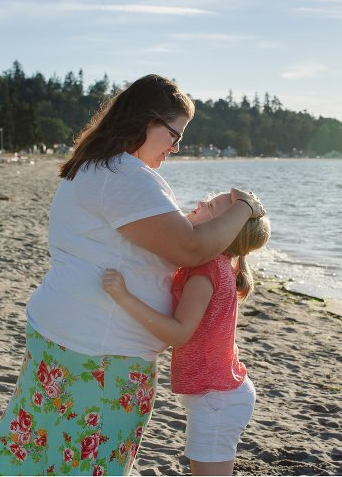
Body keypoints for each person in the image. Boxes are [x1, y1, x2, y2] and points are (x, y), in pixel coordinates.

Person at [0, 74, 265, 476]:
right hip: (95, 352)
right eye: (174, 134)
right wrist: (245, 208)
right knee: (83, 459)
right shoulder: (120, 176)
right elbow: (191, 247)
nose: (176, 147)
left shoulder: (106, 169)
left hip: (81, 341)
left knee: (40, 448)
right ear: (147, 121)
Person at [102, 191, 271, 476]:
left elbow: (179, 334)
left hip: (216, 399)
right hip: (218, 394)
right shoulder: (215, 263)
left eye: (212, 206)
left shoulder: (206, 271)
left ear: (225, 230)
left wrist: (123, 296)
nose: (202, 203)